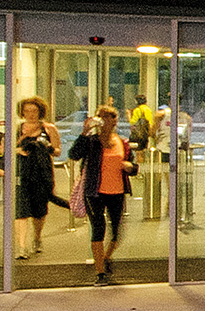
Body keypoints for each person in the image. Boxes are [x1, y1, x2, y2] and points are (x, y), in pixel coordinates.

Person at [72, 106, 134, 283]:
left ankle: (106, 257)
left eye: (111, 119)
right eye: (104, 119)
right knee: (98, 229)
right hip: (94, 192)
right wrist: (84, 133)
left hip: (117, 191)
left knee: (116, 232)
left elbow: (133, 165)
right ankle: (100, 272)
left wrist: (130, 167)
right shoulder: (92, 141)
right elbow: (74, 154)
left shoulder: (122, 142)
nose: (108, 123)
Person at [12, 99, 60, 259]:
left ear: (40, 112)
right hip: (22, 173)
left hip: (41, 173)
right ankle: (21, 246)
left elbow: (58, 151)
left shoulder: (48, 128)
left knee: (39, 211)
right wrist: (19, 147)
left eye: (34, 111)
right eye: (27, 111)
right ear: (22, 112)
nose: (31, 114)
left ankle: (37, 237)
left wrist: (48, 147)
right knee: (21, 211)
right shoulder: (17, 129)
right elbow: (5, 149)